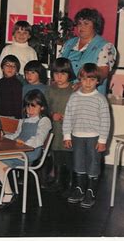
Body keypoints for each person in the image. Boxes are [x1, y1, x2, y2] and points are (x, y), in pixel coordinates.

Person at [0, 90, 51, 209]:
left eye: (34, 106)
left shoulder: (44, 121)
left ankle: (8, 193)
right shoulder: (23, 120)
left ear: (42, 107)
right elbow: (16, 135)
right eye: (28, 106)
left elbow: (39, 139)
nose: (30, 110)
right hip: (18, 151)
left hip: (30, 153)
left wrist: (25, 144)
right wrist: (5, 137)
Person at [63, 63, 111, 208]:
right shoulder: (73, 97)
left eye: (92, 79)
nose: (88, 83)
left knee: (93, 163)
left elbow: (106, 121)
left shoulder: (100, 99)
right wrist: (67, 136)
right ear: (80, 80)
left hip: (94, 137)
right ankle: (79, 189)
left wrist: (102, 140)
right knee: (78, 163)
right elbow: (68, 117)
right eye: (84, 79)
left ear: (98, 81)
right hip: (77, 136)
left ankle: (91, 191)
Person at [60, 8, 117, 95]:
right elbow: (59, 68)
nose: (81, 27)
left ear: (95, 26)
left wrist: (83, 83)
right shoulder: (68, 44)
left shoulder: (105, 46)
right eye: (79, 23)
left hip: (91, 98)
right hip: (66, 95)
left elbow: (103, 72)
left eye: (86, 23)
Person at [44, 57, 75, 195]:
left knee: (69, 156)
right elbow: (44, 108)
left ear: (69, 74)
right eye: (56, 74)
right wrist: (52, 115)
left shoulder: (74, 90)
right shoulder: (50, 89)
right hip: (55, 128)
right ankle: (57, 180)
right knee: (56, 154)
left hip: (69, 130)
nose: (59, 77)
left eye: (63, 73)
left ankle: (70, 183)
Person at [0, 55, 23, 119]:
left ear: (17, 70)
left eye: (13, 66)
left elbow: (18, 104)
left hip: (12, 117)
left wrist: (18, 119)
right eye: (7, 65)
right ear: (2, 68)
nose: (10, 68)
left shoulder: (17, 84)